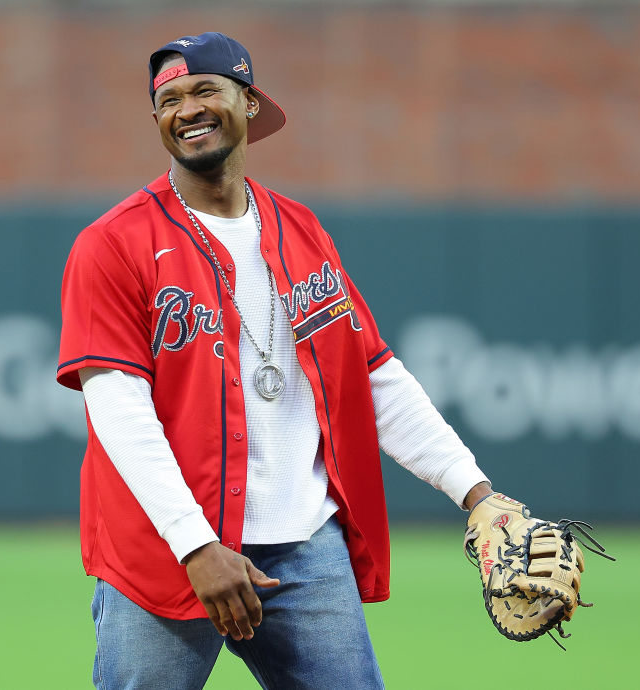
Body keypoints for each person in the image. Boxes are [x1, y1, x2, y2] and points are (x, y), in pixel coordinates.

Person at [57, 31, 495, 689]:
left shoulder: (303, 231)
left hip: (303, 546)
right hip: (167, 553)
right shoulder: (113, 244)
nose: (187, 109)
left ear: (250, 102)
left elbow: (373, 376)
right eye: (169, 100)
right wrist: (196, 544)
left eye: (205, 89)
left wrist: (477, 493)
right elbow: (119, 411)